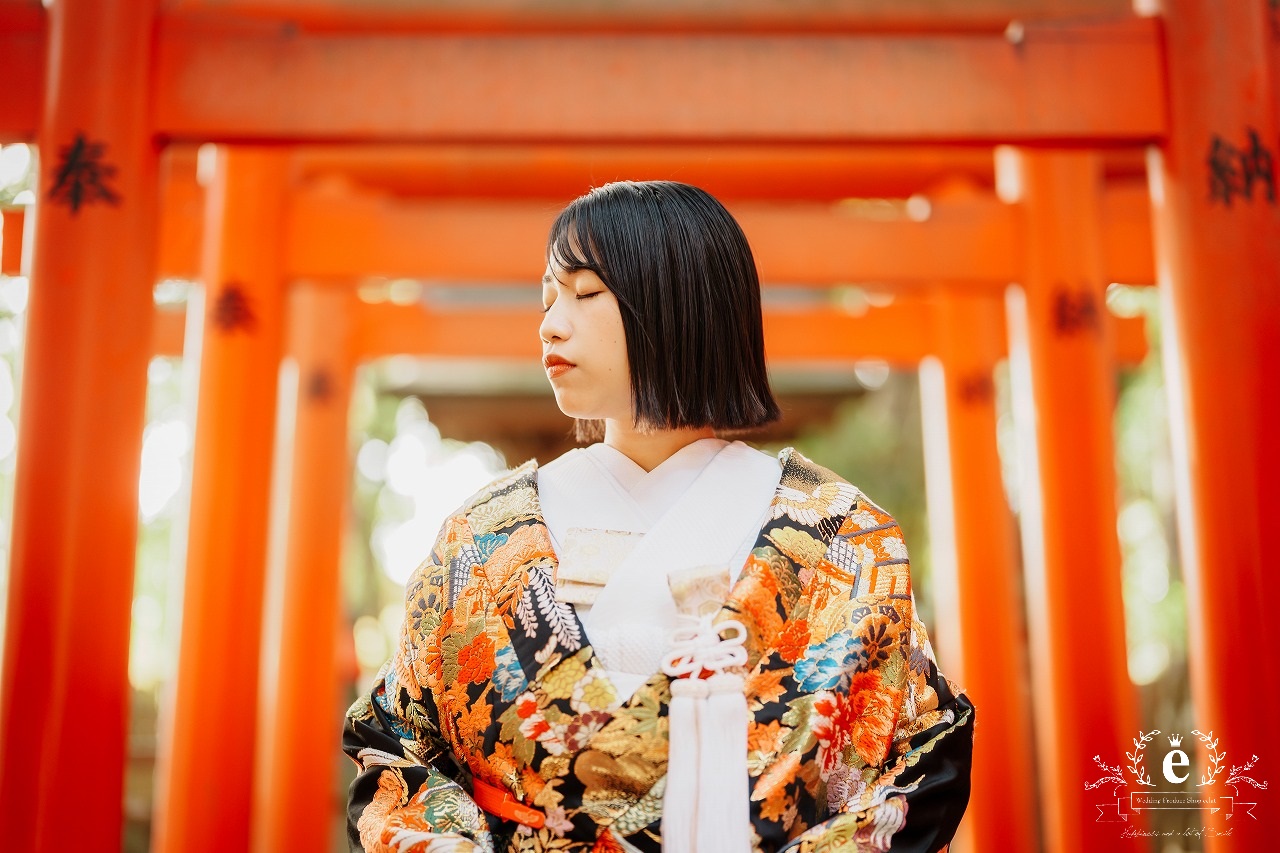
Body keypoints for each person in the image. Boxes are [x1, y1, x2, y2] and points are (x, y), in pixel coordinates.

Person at [343, 181, 974, 853]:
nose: (549, 324)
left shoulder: (841, 535)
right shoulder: (481, 537)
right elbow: (396, 746)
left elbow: (920, 754)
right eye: (548, 298)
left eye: (585, 293)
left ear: (677, 300)